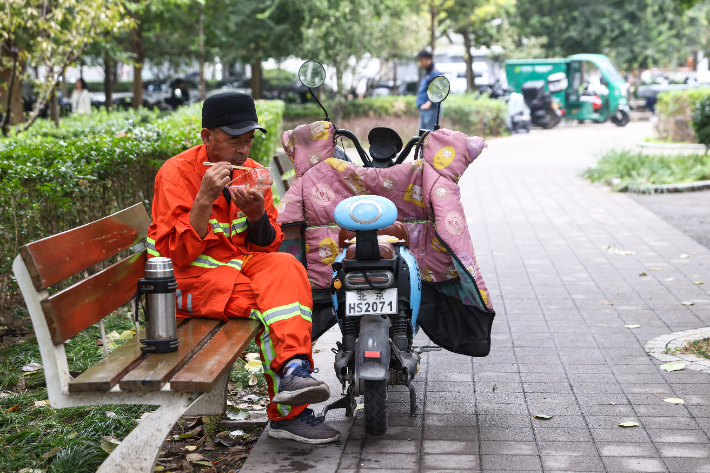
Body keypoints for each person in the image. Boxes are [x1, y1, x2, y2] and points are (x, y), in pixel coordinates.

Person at [146, 92, 341, 445]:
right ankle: (289, 413)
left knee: (286, 267)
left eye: (248, 140)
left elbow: (266, 246)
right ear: (207, 137)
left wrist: (255, 217)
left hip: (236, 269)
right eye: (234, 140)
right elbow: (175, 254)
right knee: (275, 305)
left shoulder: (252, 173)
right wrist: (204, 198)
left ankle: (295, 371)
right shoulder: (175, 175)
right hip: (188, 283)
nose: (243, 149)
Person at [416, 50, 442, 131]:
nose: (421, 63)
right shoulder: (428, 72)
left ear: (429, 60)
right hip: (425, 109)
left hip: (431, 110)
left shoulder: (434, 73)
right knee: (421, 136)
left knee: (429, 136)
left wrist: (429, 102)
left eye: (422, 60)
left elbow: (437, 90)